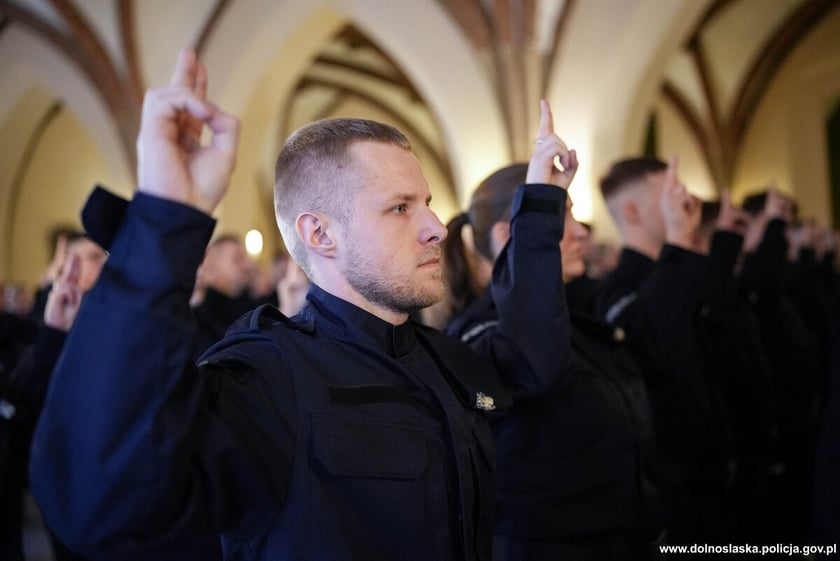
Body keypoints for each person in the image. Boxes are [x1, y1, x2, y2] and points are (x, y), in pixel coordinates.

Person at [29, 49, 571, 561]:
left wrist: (541, 208)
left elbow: (530, 364)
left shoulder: (441, 357)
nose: (435, 227)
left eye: (426, 203)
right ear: (320, 234)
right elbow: (101, 504)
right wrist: (165, 217)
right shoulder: (269, 378)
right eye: (400, 208)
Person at [444, 162, 663, 560]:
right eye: (562, 217)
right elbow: (535, 368)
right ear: (510, 235)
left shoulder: (572, 317)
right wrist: (538, 214)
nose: (581, 232)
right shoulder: (480, 331)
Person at [594, 156, 733, 544]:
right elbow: (652, 343)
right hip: (670, 487)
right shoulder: (615, 290)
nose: (683, 202)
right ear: (632, 212)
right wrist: (679, 241)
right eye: (669, 194)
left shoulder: (683, 271)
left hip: (712, 472)